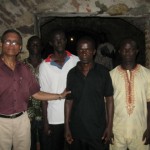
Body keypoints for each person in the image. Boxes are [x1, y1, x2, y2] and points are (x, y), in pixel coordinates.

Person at [0, 29, 70, 150]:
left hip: (22, 119)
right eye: (8, 42)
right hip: (2, 122)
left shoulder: (23, 68)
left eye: (15, 42)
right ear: (1, 44)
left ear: (20, 47)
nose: (12, 45)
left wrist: (60, 95)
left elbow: (36, 93)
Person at [65, 36, 114, 150]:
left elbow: (110, 100)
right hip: (77, 130)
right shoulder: (72, 74)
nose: (84, 53)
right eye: (81, 50)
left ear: (94, 52)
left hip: (97, 131)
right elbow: (68, 101)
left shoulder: (103, 72)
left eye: (87, 49)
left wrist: (109, 126)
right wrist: (67, 127)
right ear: (77, 52)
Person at [39, 29, 79, 150]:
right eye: (56, 40)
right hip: (54, 117)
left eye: (62, 39)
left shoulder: (76, 60)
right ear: (51, 43)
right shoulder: (44, 66)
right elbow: (43, 96)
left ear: (66, 41)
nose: (59, 42)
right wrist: (45, 122)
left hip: (74, 116)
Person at [110, 38, 150, 150]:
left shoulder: (147, 74)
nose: (128, 52)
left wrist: (149, 127)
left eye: (131, 49)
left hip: (141, 130)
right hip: (117, 131)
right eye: (124, 50)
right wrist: (108, 129)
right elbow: (106, 105)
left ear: (136, 51)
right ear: (119, 51)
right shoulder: (111, 76)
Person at [23, 36, 44, 150]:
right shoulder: (20, 65)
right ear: (27, 47)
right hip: (26, 110)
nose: (35, 46)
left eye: (38, 44)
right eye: (32, 44)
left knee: (45, 140)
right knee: (28, 142)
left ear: (42, 47)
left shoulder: (48, 65)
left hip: (45, 108)